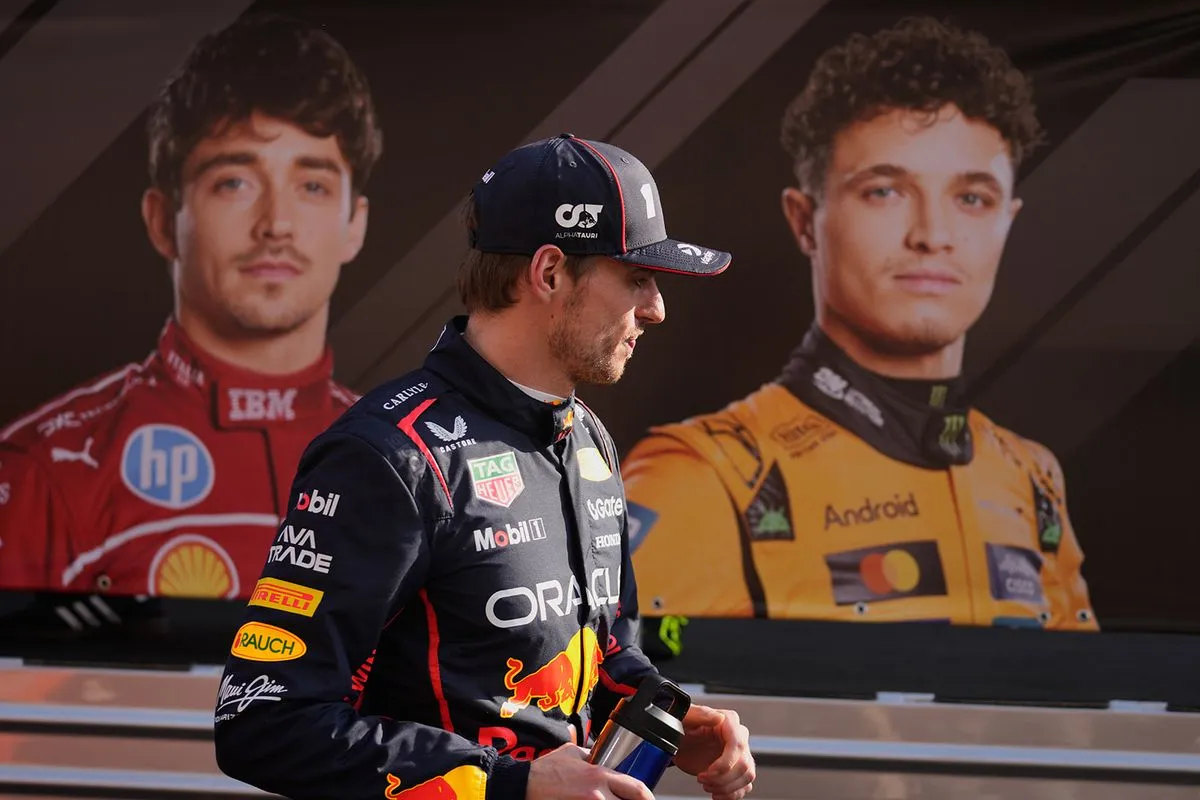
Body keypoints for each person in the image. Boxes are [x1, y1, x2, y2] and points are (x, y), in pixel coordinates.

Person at [213, 133, 755, 800]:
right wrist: (512, 784)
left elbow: (603, 646)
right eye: (636, 278)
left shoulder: (587, 439)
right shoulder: (387, 457)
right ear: (549, 272)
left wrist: (663, 713)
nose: (656, 309)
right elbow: (262, 723)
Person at [622, 16, 1098, 653]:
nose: (933, 235)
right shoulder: (699, 479)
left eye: (972, 198)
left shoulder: (1032, 477)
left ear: (1006, 221)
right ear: (805, 220)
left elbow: (1077, 704)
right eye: (884, 191)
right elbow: (616, 701)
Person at [0, 14, 380, 628]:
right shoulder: (45, 469)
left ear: (354, 224)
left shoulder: (413, 463)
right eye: (234, 182)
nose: (276, 225)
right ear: (162, 221)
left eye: (312, 185)